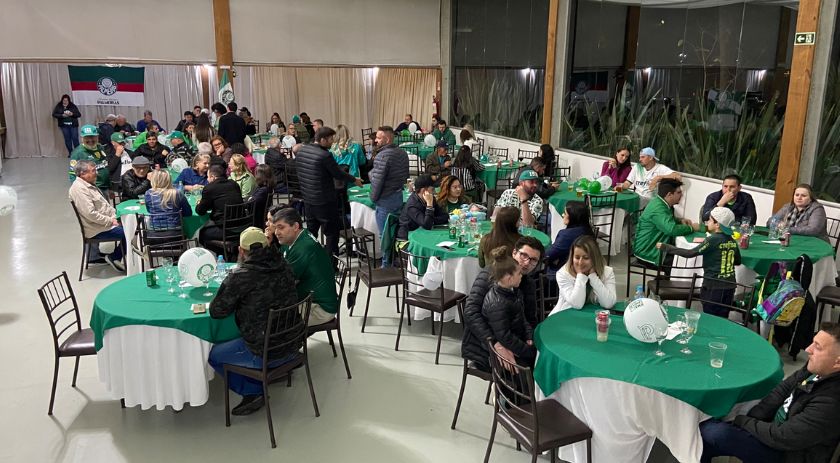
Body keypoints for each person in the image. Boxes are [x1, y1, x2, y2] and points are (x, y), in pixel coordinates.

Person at [699, 322, 840, 463]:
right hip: (777, 427)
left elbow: (784, 436)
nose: (808, 349)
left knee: (713, 432)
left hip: (787, 454)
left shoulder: (832, 401)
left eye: (818, 347)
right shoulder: (818, 368)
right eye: (812, 343)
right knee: (707, 427)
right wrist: (755, 416)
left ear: (837, 363)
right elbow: (783, 389)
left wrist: (742, 421)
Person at [208, 227, 300, 416]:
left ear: (241, 251)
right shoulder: (284, 264)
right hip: (293, 343)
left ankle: (253, 391)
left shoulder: (241, 276)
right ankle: (267, 376)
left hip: (266, 351)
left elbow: (217, 311)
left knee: (214, 355)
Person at [462, 237, 545, 371]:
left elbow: (530, 318)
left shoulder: (528, 283)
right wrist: (496, 344)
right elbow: (471, 312)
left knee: (542, 362)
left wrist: (531, 339)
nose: (526, 263)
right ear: (514, 253)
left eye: (533, 260)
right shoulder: (490, 274)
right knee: (526, 374)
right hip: (483, 344)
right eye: (524, 255)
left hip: (514, 339)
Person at [657, 207, 741, 318]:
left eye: (710, 220)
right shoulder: (732, 241)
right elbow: (738, 261)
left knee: (709, 318)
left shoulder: (712, 240)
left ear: (717, 225)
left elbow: (690, 253)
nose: (707, 222)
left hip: (713, 286)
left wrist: (666, 247)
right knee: (722, 320)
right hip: (730, 287)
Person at [295, 126, 363, 256]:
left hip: (308, 199)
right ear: (323, 140)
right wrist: (354, 180)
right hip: (324, 201)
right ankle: (332, 265)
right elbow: (338, 174)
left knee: (311, 232)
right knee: (332, 233)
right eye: (331, 139)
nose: (333, 142)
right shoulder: (324, 155)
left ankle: (311, 258)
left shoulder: (302, 151)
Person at [272, 207, 339, 326]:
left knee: (269, 320)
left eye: (281, 227)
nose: (276, 232)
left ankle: (288, 343)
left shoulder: (303, 247)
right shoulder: (296, 238)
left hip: (320, 309)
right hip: (310, 299)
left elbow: (283, 282)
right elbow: (280, 264)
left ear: (295, 226)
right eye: (275, 228)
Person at [480, 246, 537, 368]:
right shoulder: (497, 303)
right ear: (509, 278)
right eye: (519, 274)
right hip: (507, 349)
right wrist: (527, 351)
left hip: (518, 340)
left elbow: (523, 317)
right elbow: (504, 336)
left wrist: (529, 335)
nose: (522, 276)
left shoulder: (514, 291)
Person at [68, 159, 125, 272]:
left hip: (104, 224)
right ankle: (114, 257)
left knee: (132, 225)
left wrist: (117, 216)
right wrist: (111, 221)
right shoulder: (79, 189)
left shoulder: (88, 184)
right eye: (93, 171)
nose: (97, 173)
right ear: (83, 174)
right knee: (131, 232)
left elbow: (104, 206)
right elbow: (90, 214)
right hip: (97, 229)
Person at [633, 178, 699, 267]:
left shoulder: (660, 202)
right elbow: (671, 230)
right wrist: (692, 228)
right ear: (669, 195)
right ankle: (666, 280)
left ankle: (664, 279)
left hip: (652, 248)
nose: (682, 195)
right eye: (679, 192)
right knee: (683, 261)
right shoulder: (658, 209)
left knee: (682, 256)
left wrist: (679, 220)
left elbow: (666, 220)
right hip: (648, 252)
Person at [370, 126, 410, 264]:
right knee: (394, 232)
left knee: (385, 235)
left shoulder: (383, 155)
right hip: (398, 195)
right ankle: (394, 261)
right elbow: (405, 176)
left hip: (385, 199)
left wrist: (373, 198)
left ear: (386, 139)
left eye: (378, 137)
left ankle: (386, 265)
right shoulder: (402, 153)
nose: (375, 140)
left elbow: (377, 181)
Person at [550, 235, 617, 315]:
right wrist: (581, 276)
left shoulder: (608, 272)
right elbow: (577, 304)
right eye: (577, 257)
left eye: (586, 258)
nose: (580, 263)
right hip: (566, 315)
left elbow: (608, 303)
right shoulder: (563, 274)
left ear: (595, 258)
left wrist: (593, 277)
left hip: (593, 316)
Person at [196, 165, 243, 246]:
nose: (207, 179)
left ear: (213, 177)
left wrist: (199, 204)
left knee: (200, 234)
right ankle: (228, 254)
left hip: (226, 229)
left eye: (208, 177)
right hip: (242, 225)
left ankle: (222, 254)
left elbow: (200, 211)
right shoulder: (234, 184)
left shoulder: (209, 188)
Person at [545, 200, 594, 275]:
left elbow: (549, 255)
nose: (562, 215)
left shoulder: (566, 235)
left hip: (565, 272)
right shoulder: (589, 231)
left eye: (565, 213)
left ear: (572, 216)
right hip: (586, 270)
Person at [396, 174, 448, 240]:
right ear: (424, 191)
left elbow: (445, 216)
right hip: (406, 238)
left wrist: (431, 220)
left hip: (423, 235)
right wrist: (429, 205)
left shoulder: (431, 198)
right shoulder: (412, 205)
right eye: (432, 189)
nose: (434, 192)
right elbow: (427, 225)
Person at [69, 125, 111, 193]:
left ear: (97, 137)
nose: (90, 140)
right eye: (87, 137)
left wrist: (110, 187)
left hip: (104, 188)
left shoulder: (100, 148)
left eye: (92, 137)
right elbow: (73, 174)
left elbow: (106, 168)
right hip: (90, 190)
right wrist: (78, 191)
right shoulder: (77, 153)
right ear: (82, 138)